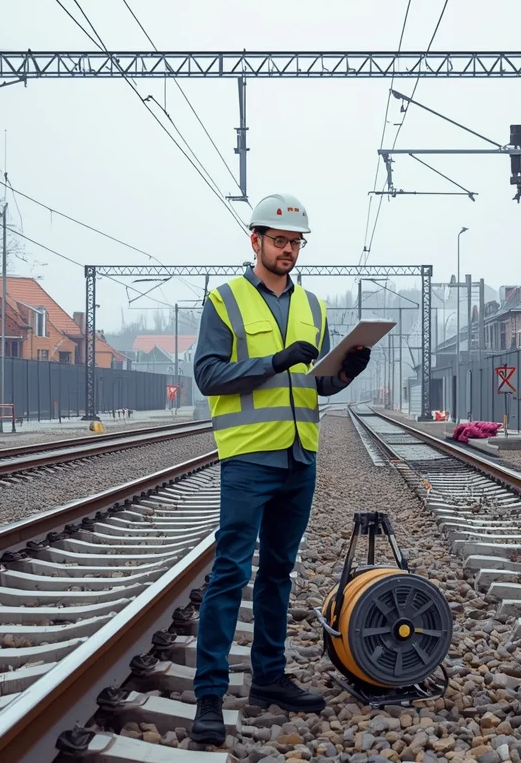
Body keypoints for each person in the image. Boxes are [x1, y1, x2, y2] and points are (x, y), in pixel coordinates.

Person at [190, 193, 370, 745]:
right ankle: (208, 698)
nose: (289, 250)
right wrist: (274, 360)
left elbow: (310, 383)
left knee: (278, 573)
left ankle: (268, 677)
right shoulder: (225, 301)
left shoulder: (312, 307)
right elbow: (209, 375)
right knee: (230, 574)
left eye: (296, 243)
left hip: (299, 456)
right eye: (280, 241)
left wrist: (345, 375)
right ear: (256, 241)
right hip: (248, 459)